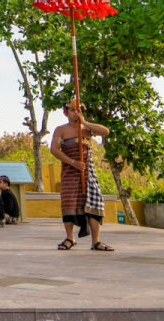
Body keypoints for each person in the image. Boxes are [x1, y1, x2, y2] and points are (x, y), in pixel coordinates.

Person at [50, 101, 112, 251]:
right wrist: (72, 162)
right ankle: (70, 238)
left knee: (95, 205)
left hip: (88, 173)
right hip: (70, 173)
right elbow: (54, 150)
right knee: (69, 204)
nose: (76, 113)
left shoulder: (87, 130)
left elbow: (105, 131)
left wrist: (84, 122)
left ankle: (96, 241)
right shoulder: (61, 130)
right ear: (66, 112)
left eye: (79, 110)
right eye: (73, 110)